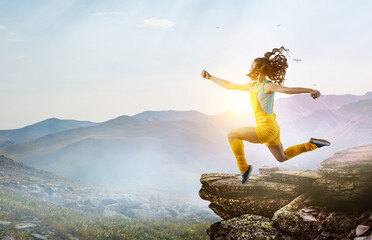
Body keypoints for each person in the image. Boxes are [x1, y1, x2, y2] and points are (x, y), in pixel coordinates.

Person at [201, 46, 331, 184]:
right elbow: (229, 85)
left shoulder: (267, 86)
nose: (250, 68)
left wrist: (310, 90)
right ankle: (312, 144)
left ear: (259, 69)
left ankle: (244, 169)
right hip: (272, 128)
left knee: (232, 134)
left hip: (267, 130)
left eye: (252, 66)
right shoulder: (252, 86)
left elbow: (288, 90)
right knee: (282, 158)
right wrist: (210, 77)